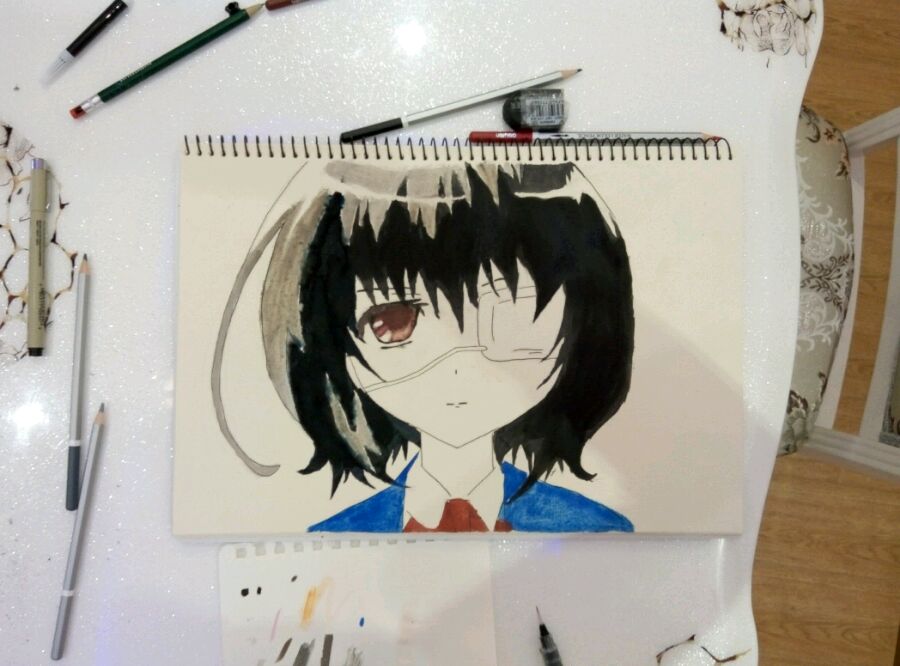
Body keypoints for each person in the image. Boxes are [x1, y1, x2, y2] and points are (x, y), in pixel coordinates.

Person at [241, 160, 635, 532]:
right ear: (334, 340)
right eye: (392, 322)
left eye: (513, 315)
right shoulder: (332, 540)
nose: (460, 364)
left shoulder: (600, 533)